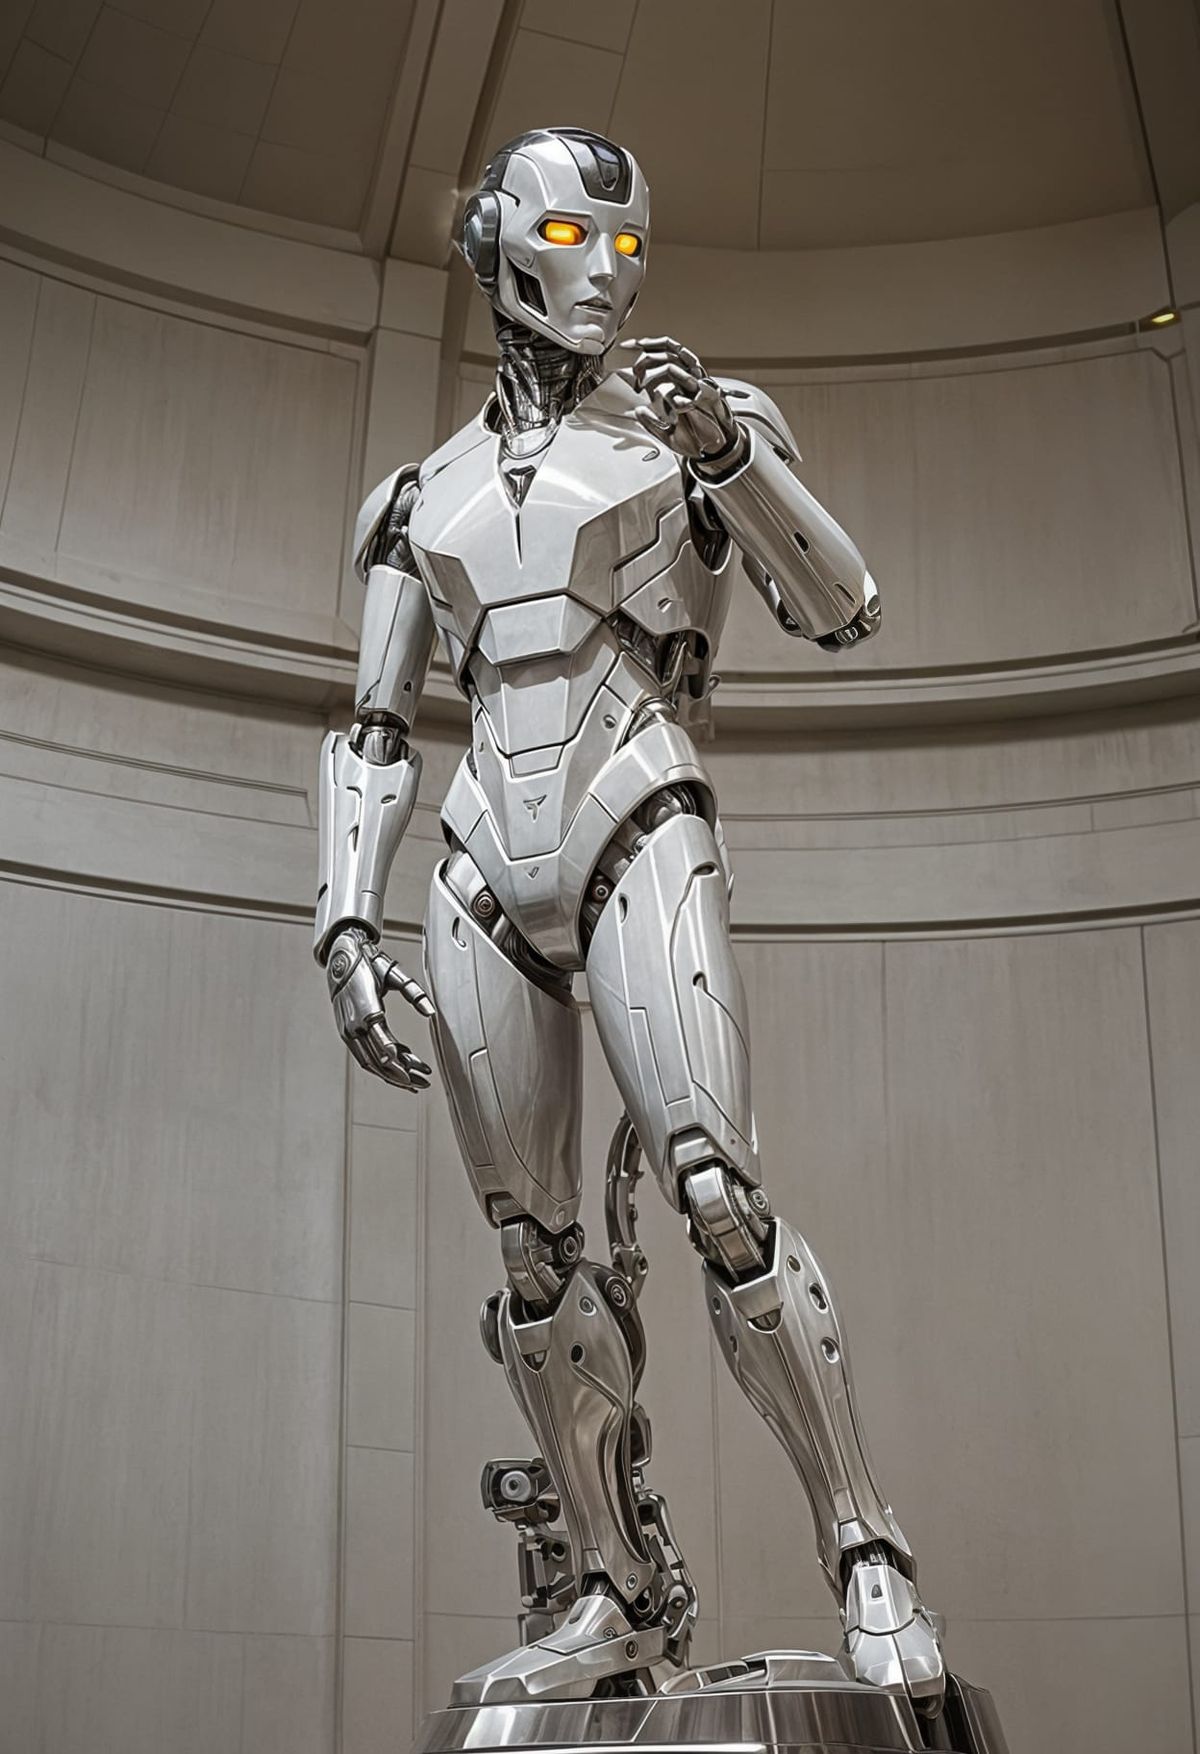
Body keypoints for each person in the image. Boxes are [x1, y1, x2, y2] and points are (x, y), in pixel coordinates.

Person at [314, 127, 942, 1713]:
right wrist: (344, 921)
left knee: (716, 1189)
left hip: (637, 803)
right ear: (500, 247)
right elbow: (376, 724)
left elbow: (842, 604)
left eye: (627, 245)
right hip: (479, 857)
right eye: (569, 241)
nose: (606, 273)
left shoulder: (691, 430)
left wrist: (727, 450)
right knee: (531, 1255)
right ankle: (616, 1582)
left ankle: (867, 1546)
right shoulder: (419, 497)